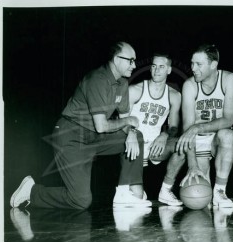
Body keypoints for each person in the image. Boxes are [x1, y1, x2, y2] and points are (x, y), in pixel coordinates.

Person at [10, 41, 152, 209]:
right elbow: (102, 126)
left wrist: (132, 132)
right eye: (130, 60)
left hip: (94, 136)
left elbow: (124, 119)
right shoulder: (97, 80)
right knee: (80, 201)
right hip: (70, 136)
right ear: (116, 59)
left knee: (138, 138)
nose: (134, 65)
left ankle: (127, 193)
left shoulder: (122, 83)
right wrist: (128, 122)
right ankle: (32, 192)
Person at [176, 44, 233, 208]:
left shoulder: (228, 79)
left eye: (198, 64)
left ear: (213, 65)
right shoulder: (189, 85)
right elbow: (188, 129)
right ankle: (210, 194)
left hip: (217, 137)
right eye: (192, 63)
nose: (193, 68)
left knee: (228, 134)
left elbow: (228, 120)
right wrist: (192, 165)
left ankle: (220, 191)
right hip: (197, 141)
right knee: (201, 198)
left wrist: (197, 127)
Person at [126, 53, 185, 206]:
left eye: (161, 67)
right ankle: (127, 188)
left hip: (154, 147)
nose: (156, 70)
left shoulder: (174, 95)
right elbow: (123, 121)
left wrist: (164, 134)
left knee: (183, 146)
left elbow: (174, 126)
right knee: (137, 199)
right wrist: (131, 133)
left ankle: (165, 190)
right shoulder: (135, 90)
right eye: (154, 66)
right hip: (132, 144)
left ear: (169, 70)